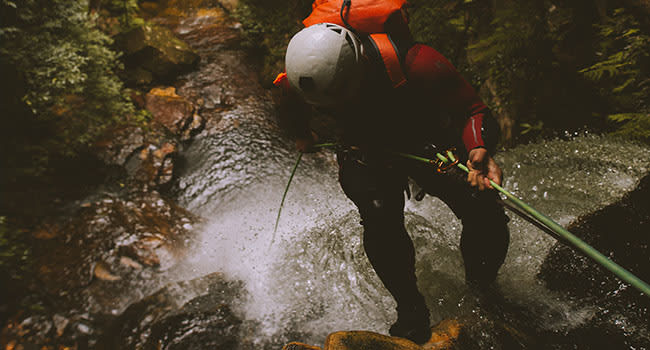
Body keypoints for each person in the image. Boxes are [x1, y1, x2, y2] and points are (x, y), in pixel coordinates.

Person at [273, 20, 510, 344]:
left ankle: (483, 293)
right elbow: (288, 107)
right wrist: (302, 136)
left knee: (484, 209)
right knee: (380, 221)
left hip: (427, 142)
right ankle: (411, 309)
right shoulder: (299, 81)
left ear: (360, 63)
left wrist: (478, 147)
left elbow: (473, 110)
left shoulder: (417, 62)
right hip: (364, 150)